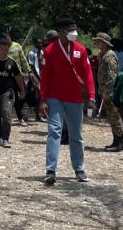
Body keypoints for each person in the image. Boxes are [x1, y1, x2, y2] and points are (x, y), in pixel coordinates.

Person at [39, 17, 95, 185]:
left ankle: (79, 168)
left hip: (75, 98)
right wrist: (43, 100)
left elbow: (88, 74)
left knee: (76, 134)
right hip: (54, 98)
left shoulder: (80, 49)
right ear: (62, 32)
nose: (74, 33)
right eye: (72, 30)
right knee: (54, 132)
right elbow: (45, 78)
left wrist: (91, 96)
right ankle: (50, 170)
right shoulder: (49, 51)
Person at [0, 34, 26, 148]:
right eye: (2, 49)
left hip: (7, 92)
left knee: (6, 114)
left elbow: (18, 77)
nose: (4, 51)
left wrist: (22, 90)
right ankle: (0, 135)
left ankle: (6, 138)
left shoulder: (12, 63)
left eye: (6, 49)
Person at [93, 33, 123, 152]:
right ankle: (117, 141)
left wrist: (107, 90)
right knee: (111, 116)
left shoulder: (109, 56)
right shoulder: (103, 55)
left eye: (99, 41)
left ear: (105, 43)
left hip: (110, 91)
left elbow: (112, 75)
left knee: (114, 115)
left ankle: (119, 142)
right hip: (105, 90)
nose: (97, 43)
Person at [0, 36, 33, 126]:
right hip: (7, 78)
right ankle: (19, 117)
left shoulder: (17, 46)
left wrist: (28, 71)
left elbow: (23, 59)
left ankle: (19, 116)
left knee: (23, 95)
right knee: (13, 98)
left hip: (18, 76)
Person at [27, 38, 45, 122]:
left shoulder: (42, 52)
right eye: (39, 43)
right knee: (37, 96)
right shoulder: (31, 53)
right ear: (35, 43)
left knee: (41, 96)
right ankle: (38, 114)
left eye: (42, 43)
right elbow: (31, 66)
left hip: (42, 75)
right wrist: (36, 77)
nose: (41, 45)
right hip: (35, 76)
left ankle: (41, 113)